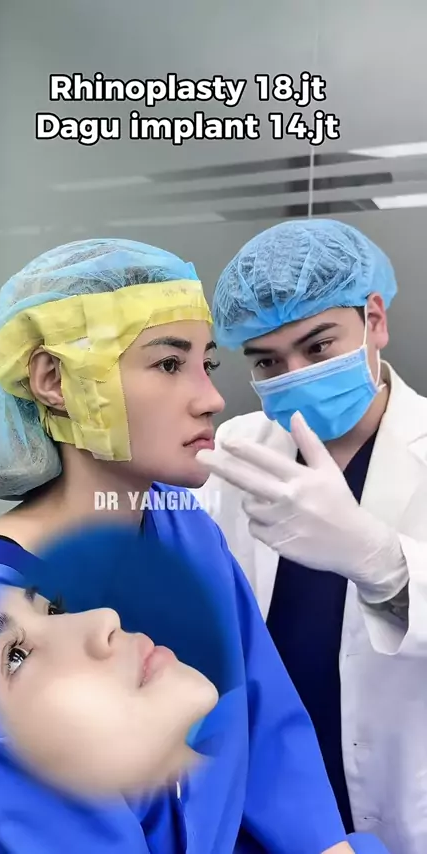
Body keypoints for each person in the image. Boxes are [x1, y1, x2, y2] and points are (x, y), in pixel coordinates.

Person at [0, 238, 385, 853]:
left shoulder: (188, 535)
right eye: (169, 364)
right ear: (54, 379)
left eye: (208, 364)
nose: (211, 400)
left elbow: (265, 726)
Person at [194, 219, 427, 854]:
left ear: (374, 319)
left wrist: (384, 563)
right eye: (268, 361)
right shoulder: (235, 451)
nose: (293, 374)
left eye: (318, 347)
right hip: (272, 808)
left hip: (402, 807)